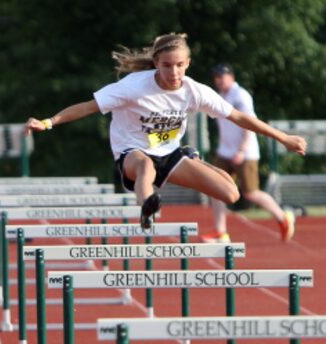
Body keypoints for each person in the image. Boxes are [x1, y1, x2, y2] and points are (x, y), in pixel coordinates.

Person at [24, 33, 307, 231]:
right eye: (167, 65)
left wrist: (284, 138)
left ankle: (191, 160)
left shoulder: (195, 91)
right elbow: (88, 107)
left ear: (188, 64)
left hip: (171, 154)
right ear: (156, 63)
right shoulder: (134, 87)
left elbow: (239, 117)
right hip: (131, 151)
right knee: (145, 167)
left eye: (179, 66)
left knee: (232, 195)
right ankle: (148, 208)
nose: (173, 72)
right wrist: (48, 122)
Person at [200, 63, 295, 243]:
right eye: (216, 77)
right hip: (225, 151)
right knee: (215, 188)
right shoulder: (221, 95)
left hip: (245, 152)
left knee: (251, 192)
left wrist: (241, 151)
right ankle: (221, 232)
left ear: (231, 76)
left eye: (222, 76)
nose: (218, 80)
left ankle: (283, 217)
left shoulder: (241, 95)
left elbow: (249, 123)